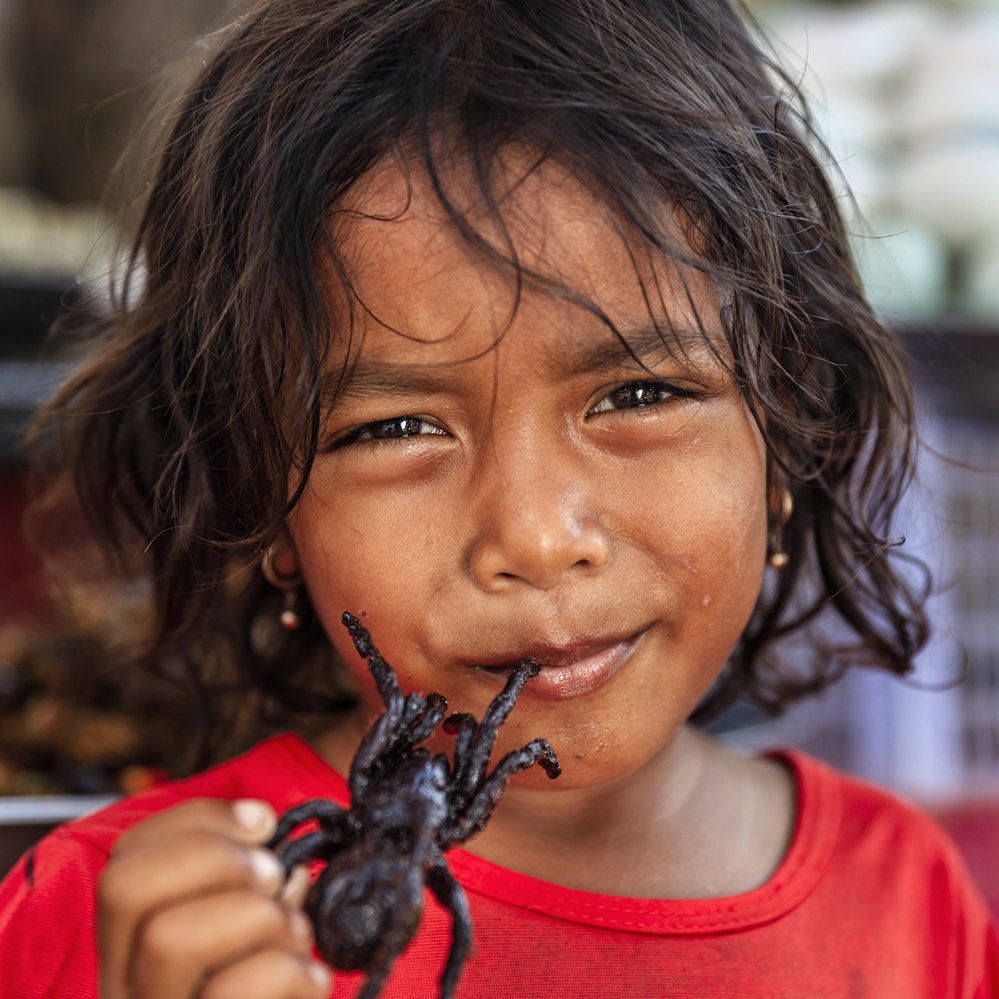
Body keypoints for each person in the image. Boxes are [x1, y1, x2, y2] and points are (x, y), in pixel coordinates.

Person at [2, 0, 997, 996]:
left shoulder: (912, 900)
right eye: (395, 429)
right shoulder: (128, 926)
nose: (533, 535)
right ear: (264, 501)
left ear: (786, 430)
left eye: (639, 395)